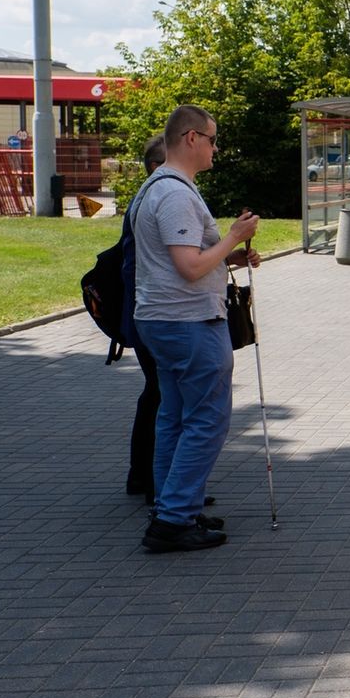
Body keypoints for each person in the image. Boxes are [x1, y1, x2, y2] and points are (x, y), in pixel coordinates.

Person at [132, 105, 260, 553]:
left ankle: (171, 505)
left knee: (175, 416)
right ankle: (173, 519)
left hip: (162, 319)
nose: (215, 147)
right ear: (190, 138)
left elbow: (186, 261)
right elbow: (188, 268)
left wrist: (232, 258)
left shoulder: (157, 187)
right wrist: (234, 238)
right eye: (211, 138)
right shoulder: (176, 194)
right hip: (187, 321)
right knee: (207, 419)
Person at [124, 135, 167, 505]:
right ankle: (159, 486)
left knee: (154, 393)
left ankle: (144, 477)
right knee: (163, 395)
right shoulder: (156, 198)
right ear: (156, 166)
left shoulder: (147, 197)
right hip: (152, 316)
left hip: (143, 315)